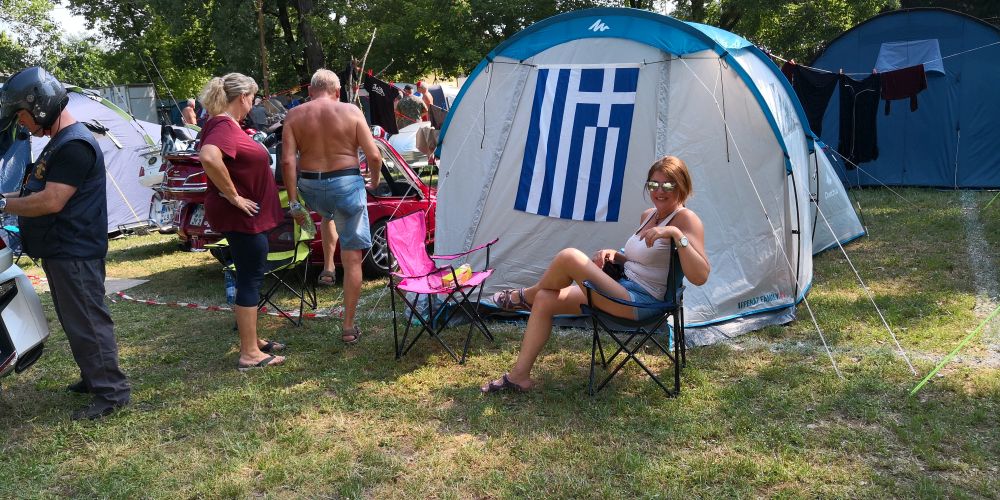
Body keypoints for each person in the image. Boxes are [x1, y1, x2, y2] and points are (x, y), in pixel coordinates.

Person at [481, 156, 711, 393]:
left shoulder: (686, 219)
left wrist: (676, 235)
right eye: (653, 184)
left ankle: (524, 296)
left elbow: (700, 276)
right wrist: (614, 254)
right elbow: (641, 261)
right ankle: (519, 377)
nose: (659, 191)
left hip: (642, 302)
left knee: (570, 257)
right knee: (545, 299)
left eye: (668, 185)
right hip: (622, 285)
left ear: (681, 185)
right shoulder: (648, 215)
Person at [0, 67, 131, 419]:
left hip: (75, 251)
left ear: (39, 105)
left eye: (21, 113)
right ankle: (93, 377)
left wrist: (2, 204)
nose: (21, 122)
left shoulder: (74, 145)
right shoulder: (59, 142)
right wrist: (4, 198)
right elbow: (35, 191)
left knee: (87, 321)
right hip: (61, 250)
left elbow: (51, 201)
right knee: (76, 320)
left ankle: (112, 393)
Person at [281, 68, 382, 345]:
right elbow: (374, 156)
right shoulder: (350, 111)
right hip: (346, 184)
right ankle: (348, 326)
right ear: (337, 92)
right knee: (352, 257)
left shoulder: (294, 115)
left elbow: (288, 162)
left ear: (310, 91)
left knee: (328, 214)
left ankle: (328, 267)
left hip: (312, 187)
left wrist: (294, 201)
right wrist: (374, 181)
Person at [198, 72, 287, 370]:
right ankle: (249, 353)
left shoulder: (225, 124)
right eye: (253, 98)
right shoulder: (223, 125)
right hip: (241, 216)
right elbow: (209, 157)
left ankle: (253, 340)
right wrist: (234, 196)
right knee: (251, 277)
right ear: (243, 97)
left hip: (244, 216)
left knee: (248, 275)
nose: (254, 103)